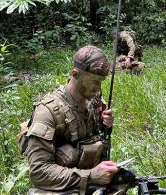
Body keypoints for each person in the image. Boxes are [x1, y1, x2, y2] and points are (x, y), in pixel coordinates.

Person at [19, 46, 120, 195]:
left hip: (89, 183)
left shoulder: (95, 102)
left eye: (101, 82)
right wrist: (91, 176)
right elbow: (39, 172)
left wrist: (106, 126)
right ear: (75, 74)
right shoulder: (47, 112)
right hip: (59, 187)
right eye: (95, 81)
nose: (98, 89)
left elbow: (97, 142)